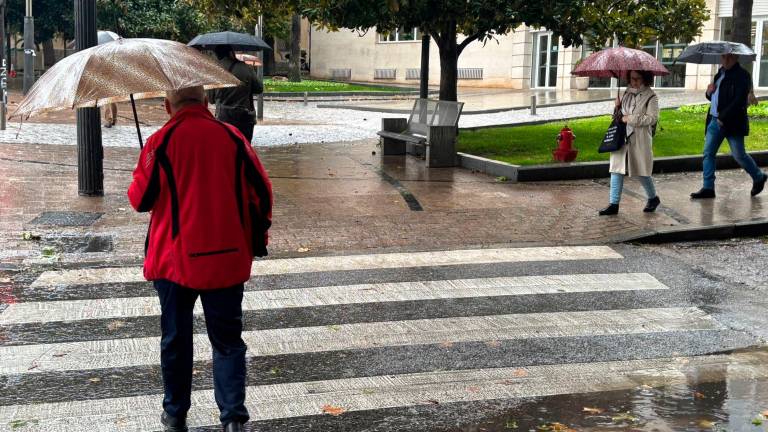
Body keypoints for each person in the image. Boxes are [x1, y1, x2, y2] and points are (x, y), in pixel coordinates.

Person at [127, 86, 273, 432]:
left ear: (168, 106)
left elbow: (140, 200)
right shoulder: (233, 137)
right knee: (228, 342)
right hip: (226, 257)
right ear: (206, 102)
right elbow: (262, 193)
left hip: (174, 261)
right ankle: (233, 418)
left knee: (176, 339)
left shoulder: (160, 142)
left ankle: (175, 414)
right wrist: (256, 239)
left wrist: (145, 166)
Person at [691, 53, 767, 199]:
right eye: (723, 57)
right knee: (708, 153)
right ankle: (708, 188)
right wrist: (708, 92)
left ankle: (759, 177)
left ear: (736, 57)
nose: (726, 60)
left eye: (730, 57)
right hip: (714, 121)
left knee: (739, 155)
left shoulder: (742, 76)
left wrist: (723, 117)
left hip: (732, 122)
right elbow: (714, 97)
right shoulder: (719, 74)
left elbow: (739, 101)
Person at [599, 70, 661, 216]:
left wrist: (630, 118)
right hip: (622, 136)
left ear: (645, 78)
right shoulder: (626, 93)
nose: (634, 82)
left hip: (639, 138)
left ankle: (653, 198)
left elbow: (652, 118)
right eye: (632, 78)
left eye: (637, 79)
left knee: (641, 170)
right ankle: (613, 204)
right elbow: (618, 116)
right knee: (616, 168)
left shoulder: (651, 96)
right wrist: (617, 107)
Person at [210, 46, 264, 142]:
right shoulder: (246, 68)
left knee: (227, 147)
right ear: (231, 52)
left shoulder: (214, 70)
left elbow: (211, 99)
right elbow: (259, 89)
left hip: (224, 118)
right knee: (244, 147)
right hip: (245, 117)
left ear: (217, 54)